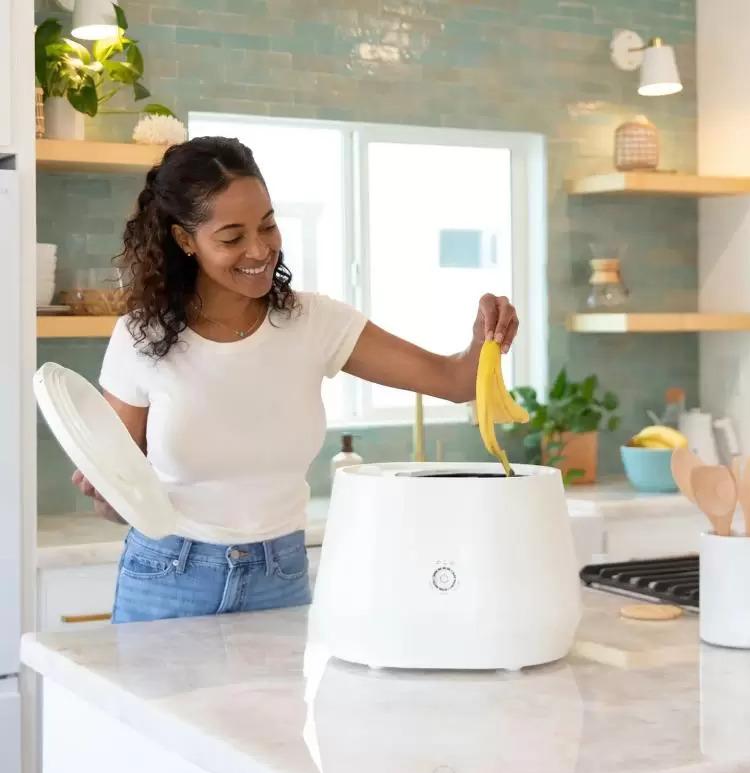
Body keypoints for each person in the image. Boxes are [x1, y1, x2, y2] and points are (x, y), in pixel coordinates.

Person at [73, 136, 520, 624]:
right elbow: (121, 499)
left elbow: (455, 381)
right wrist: (106, 495)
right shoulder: (143, 336)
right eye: (232, 237)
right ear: (185, 241)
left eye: (267, 225)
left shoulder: (314, 322)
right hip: (167, 576)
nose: (259, 249)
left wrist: (484, 340)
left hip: (279, 578)